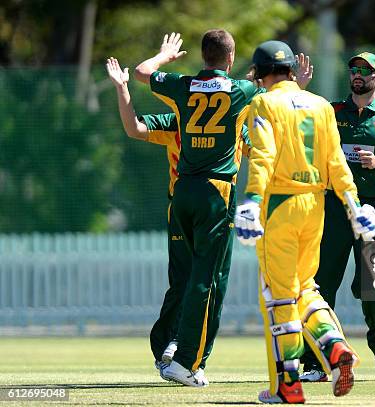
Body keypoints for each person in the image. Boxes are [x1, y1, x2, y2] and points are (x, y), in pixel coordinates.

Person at [133, 31, 313, 387]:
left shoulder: (183, 85)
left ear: (204, 56)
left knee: (184, 278)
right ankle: (187, 361)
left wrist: (164, 56)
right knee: (209, 280)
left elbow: (140, 72)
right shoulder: (241, 90)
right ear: (230, 60)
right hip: (217, 192)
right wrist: (299, 85)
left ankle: (174, 349)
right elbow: (274, 92)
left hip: (182, 189)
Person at [234, 40, 375, 404]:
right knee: (306, 289)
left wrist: (251, 201)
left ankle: (288, 385)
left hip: (280, 205)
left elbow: (263, 156)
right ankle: (334, 347)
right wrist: (354, 205)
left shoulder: (263, 102)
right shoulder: (319, 104)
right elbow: (336, 163)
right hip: (316, 206)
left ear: (262, 73)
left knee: (279, 296)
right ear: (290, 71)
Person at [106, 56, 250, 384]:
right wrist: (122, 88)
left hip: (190, 200)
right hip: (198, 202)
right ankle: (175, 349)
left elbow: (260, 152)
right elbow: (135, 128)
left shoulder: (228, 122)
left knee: (192, 280)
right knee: (192, 281)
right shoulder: (181, 120)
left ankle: (173, 345)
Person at [300, 52, 375, 381]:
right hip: (335, 206)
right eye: (354, 69)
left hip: (374, 207)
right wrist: (302, 89)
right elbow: (301, 117)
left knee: (372, 285)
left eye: (366, 71)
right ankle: (316, 361)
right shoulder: (332, 111)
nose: (358, 75)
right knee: (320, 285)